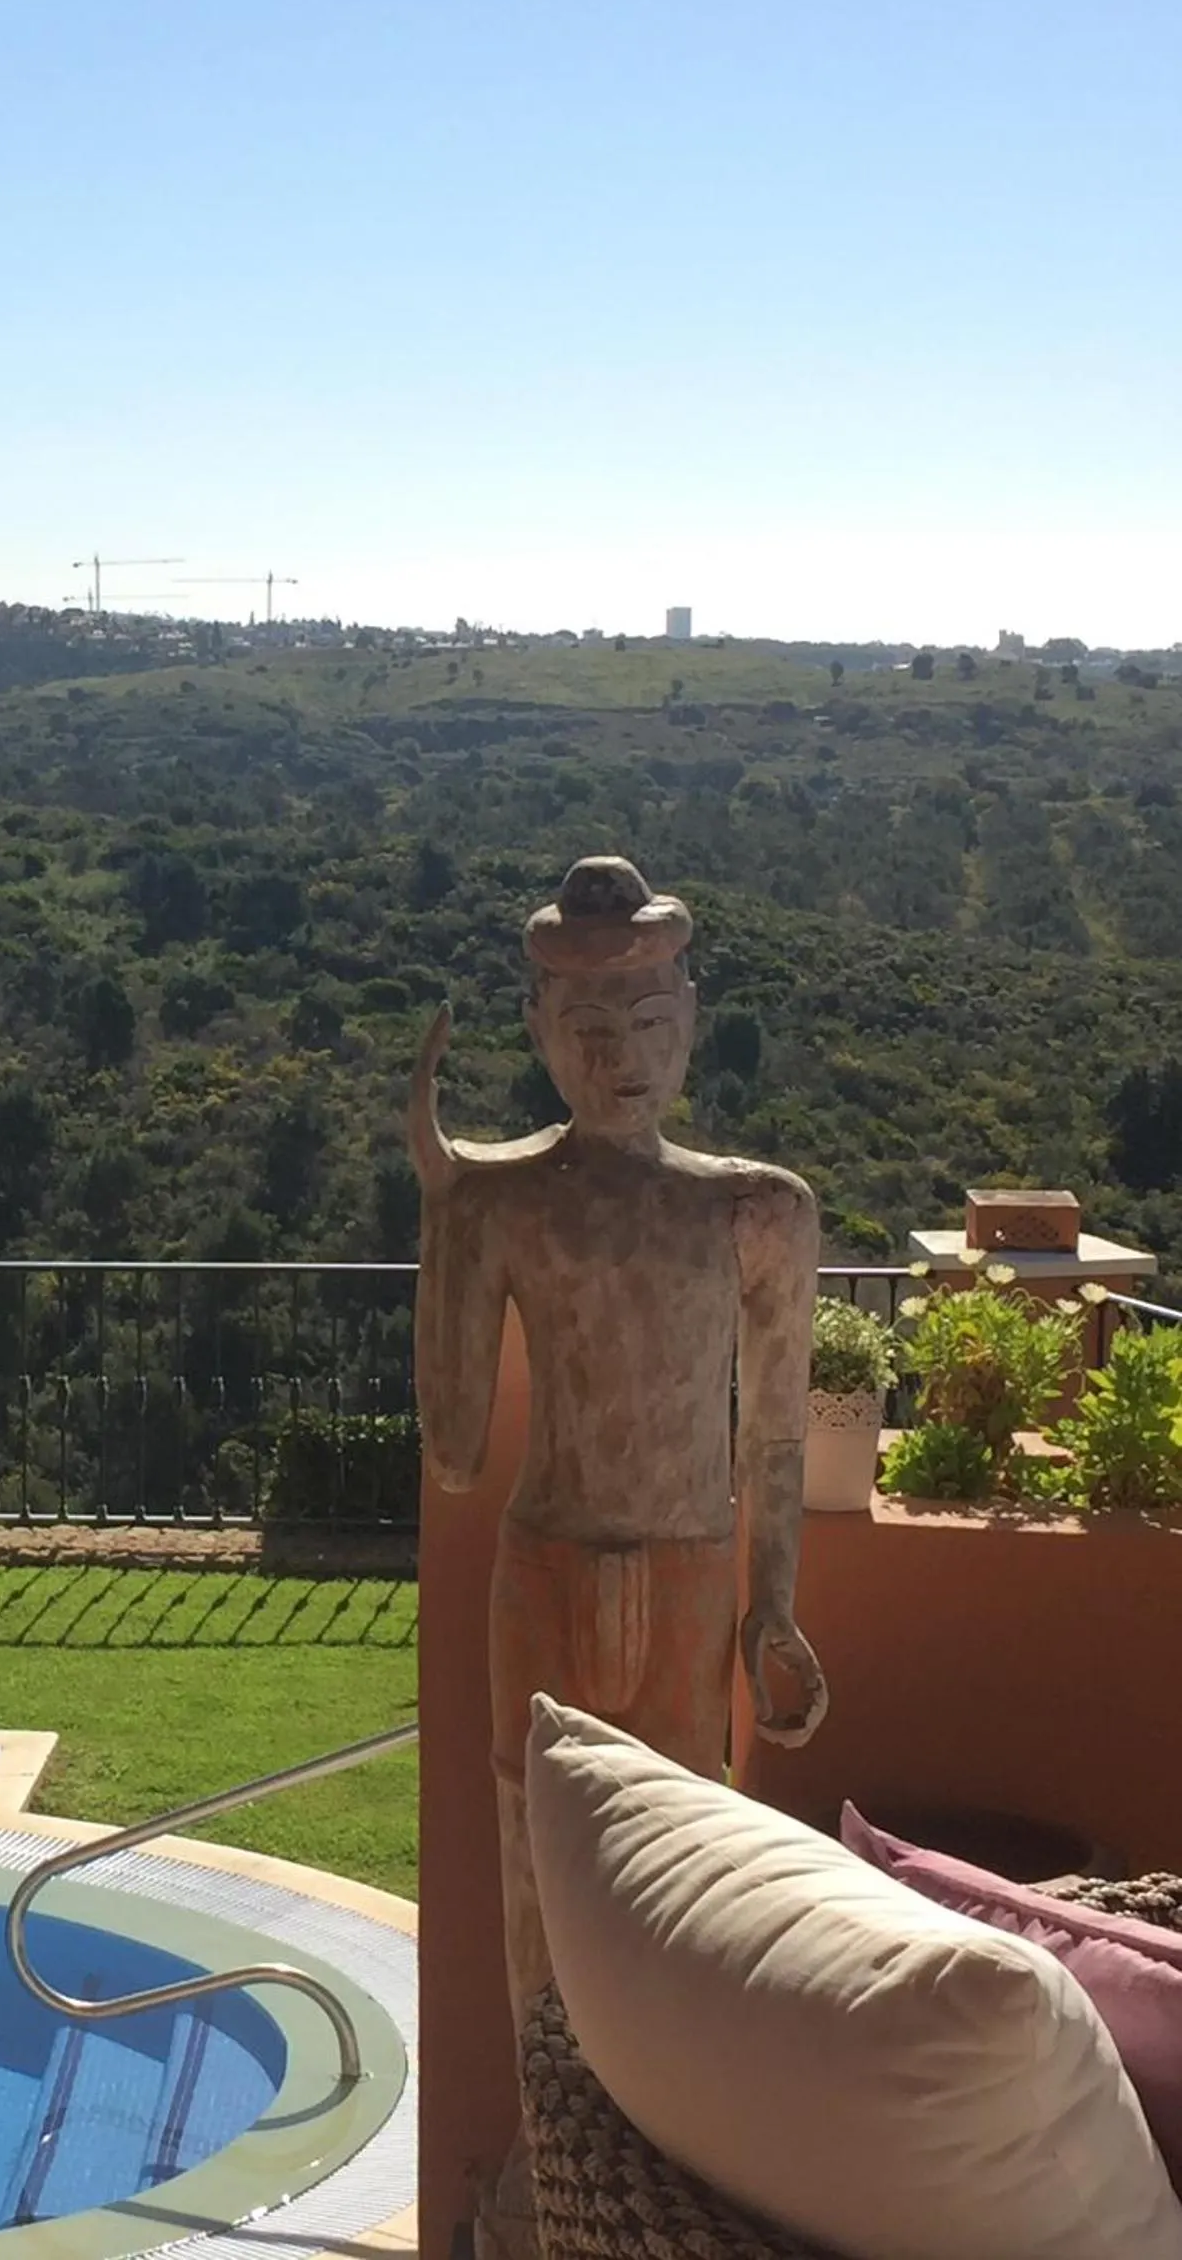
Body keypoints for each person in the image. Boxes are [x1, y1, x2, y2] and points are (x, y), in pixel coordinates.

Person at [412, 856, 829, 2035]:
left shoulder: (757, 1210)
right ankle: (556, 2171)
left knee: (682, 1879)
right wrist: (446, 1217)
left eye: (648, 1023)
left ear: (689, 1023)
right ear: (542, 1032)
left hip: (695, 1579)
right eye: (587, 1026)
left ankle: (651, 2171)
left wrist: (773, 1604)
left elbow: (779, 1429)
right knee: (534, 1873)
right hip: (543, 1575)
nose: (620, 1058)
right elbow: (452, 1449)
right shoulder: (501, 1205)